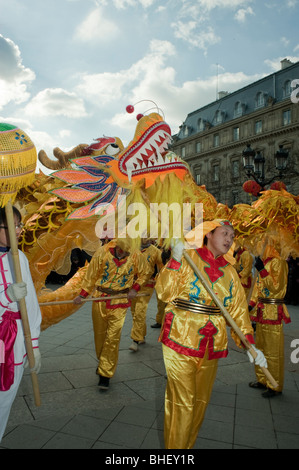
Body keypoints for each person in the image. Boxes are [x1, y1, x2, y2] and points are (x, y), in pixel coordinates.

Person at [155, 219, 267, 449]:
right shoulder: (188, 258)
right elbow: (164, 292)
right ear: (208, 235)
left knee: (200, 403)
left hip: (211, 343)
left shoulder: (231, 274)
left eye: (232, 236)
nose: (229, 239)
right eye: (224, 233)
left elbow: (238, 315)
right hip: (180, 337)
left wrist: (250, 346)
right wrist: (175, 261)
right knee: (183, 403)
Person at [73, 239, 151, 390]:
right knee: (100, 336)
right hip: (100, 298)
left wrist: (135, 288)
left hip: (120, 301)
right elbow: (91, 275)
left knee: (113, 338)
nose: (127, 254)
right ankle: (103, 361)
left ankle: (105, 373)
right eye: (124, 252)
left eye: (129, 252)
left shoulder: (135, 255)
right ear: (118, 248)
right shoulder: (102, 252)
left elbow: (145, 272)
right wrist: (83, 295)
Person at [0, 207, 42, 442]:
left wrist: (33, 344)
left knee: (7, 397)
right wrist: (5, 296)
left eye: (19, 224)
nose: (20, 230)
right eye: (14, 225)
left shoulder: (20, 258)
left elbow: (32, 304)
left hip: (15, 339)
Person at [248, 242, 291, 397]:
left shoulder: (279, 262)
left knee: (273, 352)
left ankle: (274, 384)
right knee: (260, 348)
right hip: (261, 311)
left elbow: (276, 287)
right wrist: (251, 305)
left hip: (273, 312)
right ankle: (262, 379)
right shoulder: (264, 262)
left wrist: (262, 270)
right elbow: (258, 287)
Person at [129, 239, 163, 352]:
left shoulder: (156, 251)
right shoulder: (131, 248)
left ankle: (135, 340)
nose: (146, 237)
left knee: (140, 310)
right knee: (134, 311)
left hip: (147, 286)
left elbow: (162, 267)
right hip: (132, 287)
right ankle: (141, 335)